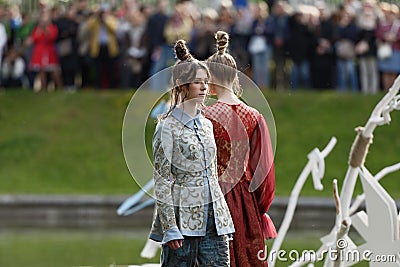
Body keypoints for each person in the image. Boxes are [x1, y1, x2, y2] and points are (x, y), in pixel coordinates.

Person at [148, 39, 235, 266]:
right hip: (182, 219)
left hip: (214, 218)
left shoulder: (206, 124)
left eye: (206, 82)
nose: (205, 87)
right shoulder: (166, 127)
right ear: (181, 84)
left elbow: (212, 174)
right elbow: (162, 180)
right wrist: (170, 228)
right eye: (197, 82)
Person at [203, 31, 276, 266]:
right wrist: (258, 208)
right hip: (244, 199)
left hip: (213, 195)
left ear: (211, 78)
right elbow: (263, 171)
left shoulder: (205, 115)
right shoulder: (254, 116)